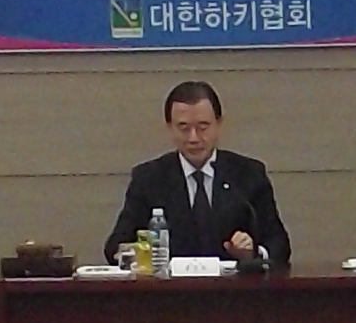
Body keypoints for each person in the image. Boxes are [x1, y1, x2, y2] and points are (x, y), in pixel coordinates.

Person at [104, 81, 289, 269]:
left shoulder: (248, 174)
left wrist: (252, 253)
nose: (193, 138)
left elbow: (279, 244)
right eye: (183, 128)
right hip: (171, 286)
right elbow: (116, 246)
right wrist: (134, 254)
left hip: (233, 285)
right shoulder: (149, 178)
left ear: (218, 124)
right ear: (170, 127)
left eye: (203, 127)